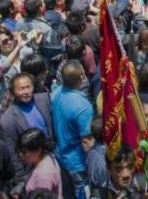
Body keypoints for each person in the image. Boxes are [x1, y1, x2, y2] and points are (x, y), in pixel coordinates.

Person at [51, 60, 94, 198]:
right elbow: (87, 141)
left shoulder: (56, 93)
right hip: (78, 163)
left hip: (61, 157)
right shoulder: (83, 107)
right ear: (82, 78)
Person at [0, 73, 54, 153]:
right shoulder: (7, 121)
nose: (26, 92)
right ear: (13, 92)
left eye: (28, 87)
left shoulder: (45, 99)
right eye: (22, 89)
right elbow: (12, 153)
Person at [18, 128, 62, 196]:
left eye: (24, 152)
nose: (20, 154)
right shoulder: (46, 156)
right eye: (19, 150)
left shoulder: (43, 177)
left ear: (38, 150)